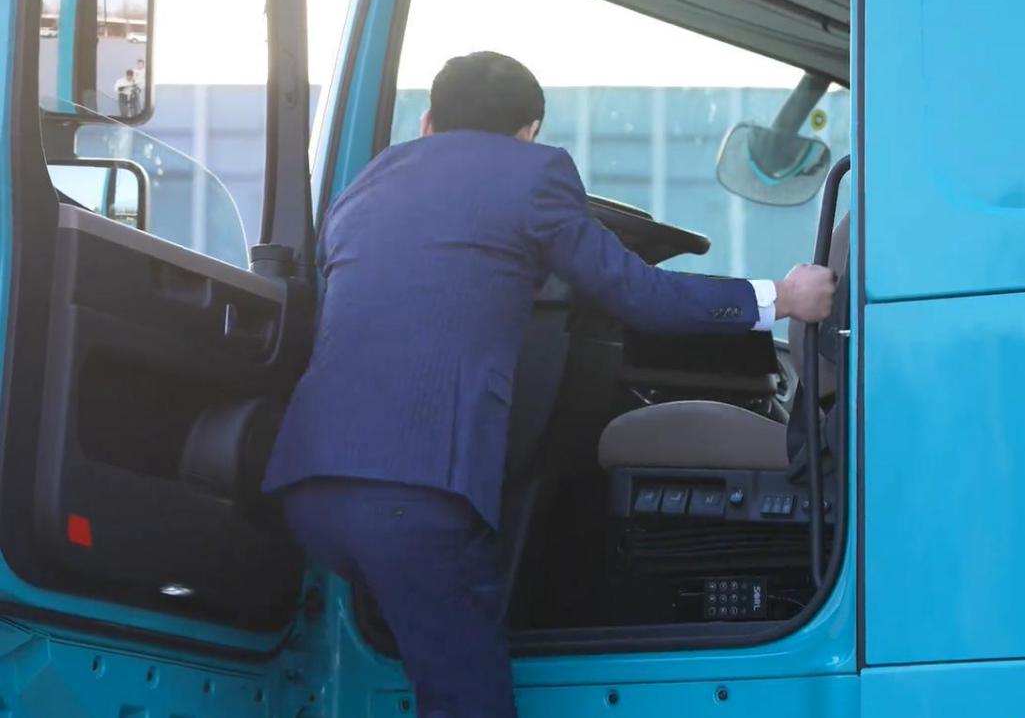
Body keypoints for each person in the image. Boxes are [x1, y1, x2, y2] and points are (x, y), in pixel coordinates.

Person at [262, 51, 836, 717]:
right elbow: (639, 294)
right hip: (413, 498)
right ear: (529, 131)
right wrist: (783, 296)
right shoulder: (534, 175)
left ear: (427, 121)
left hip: (307, 489)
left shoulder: (366, 183)